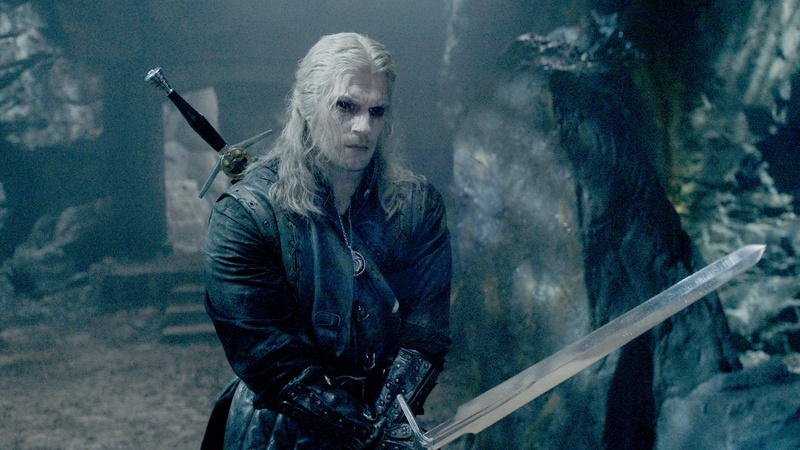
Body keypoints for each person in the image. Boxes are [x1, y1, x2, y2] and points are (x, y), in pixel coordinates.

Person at [201, 32, 452, 449]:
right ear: (305, 105)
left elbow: (425, 333)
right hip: (277, 430)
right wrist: (369, 437)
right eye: (346, 106)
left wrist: (388, 426)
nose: (363, 127)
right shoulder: (244, 216)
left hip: (384, 415)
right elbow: (272, 363)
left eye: (376, 111)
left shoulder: (416, 206)